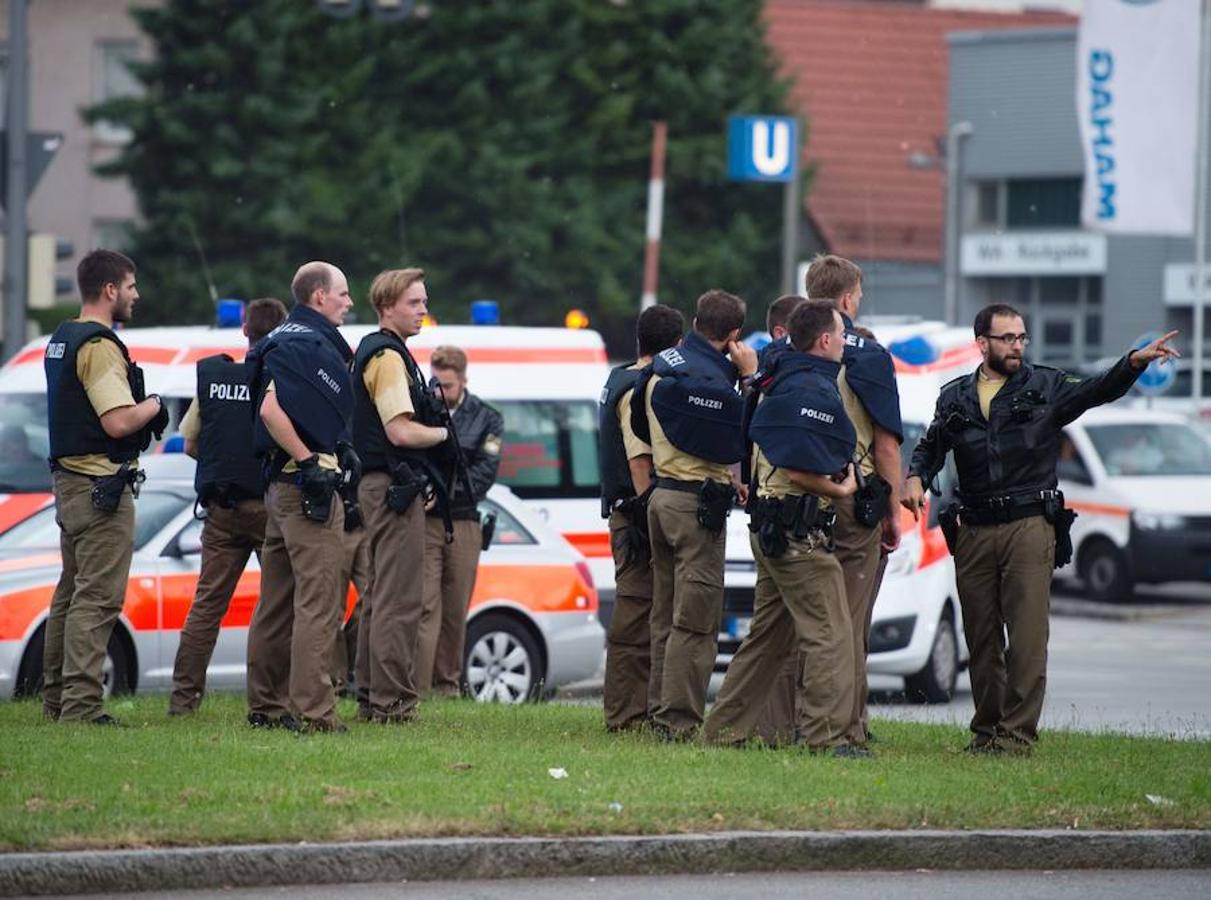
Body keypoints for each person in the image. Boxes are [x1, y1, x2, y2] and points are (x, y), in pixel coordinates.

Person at [904, 303, 1178, 754]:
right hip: (972, 527)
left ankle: (1016, 737)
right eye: (1007, 338)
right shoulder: (954, 396)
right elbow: (932, 444)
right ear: (982, 344)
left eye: (1021, 338)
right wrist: (915, 477)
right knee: (982, 636)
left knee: (1027, 637)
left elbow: (1096, 390)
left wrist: (1132, 363)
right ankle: (987, 731)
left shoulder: (1045, 385)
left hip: (1028, 523)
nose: (1017, 346)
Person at [704, 300, 865, 755]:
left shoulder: (775, 374)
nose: (844, 341)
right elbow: (797, 467)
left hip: (770, 525)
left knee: (768, 638)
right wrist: (842, 491)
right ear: (826, 340)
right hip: (797, 531)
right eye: (840, 333)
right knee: (831, 635)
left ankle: (725, 731)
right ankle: (827, 738)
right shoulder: (809, 388)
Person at [42, 249, 169, 725]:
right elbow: (117, 421)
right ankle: (81, 707)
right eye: (131, 286)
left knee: (71, 593)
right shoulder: (98, 345)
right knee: (97, 598)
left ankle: (57, 699)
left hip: (71, 483)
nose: (136, 295)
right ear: (110, 290)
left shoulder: (62, 339)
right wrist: (153, 404)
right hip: (100, 488)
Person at [630, 289, 757, 740]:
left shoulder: (666, 365)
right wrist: (750, 379)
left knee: (664, 616)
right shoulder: (713, 379)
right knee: (696, 621)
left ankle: (658, 711)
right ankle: (679, 721)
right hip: (694, 506)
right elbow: (738, 432)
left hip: (662, 498)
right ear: (734, 334)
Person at [244, 261, 357, 734]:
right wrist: (310, 460)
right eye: (343, 294)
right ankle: (314, 713)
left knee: (275, 602)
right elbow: (271, 409)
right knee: (319, 603)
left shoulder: (280, 339)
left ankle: (265, 705)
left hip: (278, 489)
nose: (350, 302)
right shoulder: (304, 344)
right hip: (305, 489)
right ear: (318, 297)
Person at [169, 297, 288, 716]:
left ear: (245, 331)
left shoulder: (215, 377)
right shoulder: (278, 380)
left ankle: (183, 702)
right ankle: (271, 700)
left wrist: (225, 466)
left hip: (220, 507)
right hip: (267, 506)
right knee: (277, 605)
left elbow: (191, 444)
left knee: (207, 606)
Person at [806, 255, 902, 748]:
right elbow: (886, 444)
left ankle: (795, 721)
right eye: (858, 297)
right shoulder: (868, 356)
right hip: (850, 496)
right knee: (848, 621)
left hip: (794, 500)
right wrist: (891, 512)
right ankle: (846, 728)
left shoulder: (786, 346)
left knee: (798, 626)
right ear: (847, 301)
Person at [351, 267, 451, 723]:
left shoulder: (388, 352)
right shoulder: (389, 357)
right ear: (387, 307)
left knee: (381, 595)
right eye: (414, 303)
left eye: (424, 301)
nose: (424, 310)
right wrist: (443, 436)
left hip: (383, 485)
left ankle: (375, 696)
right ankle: (393, 704)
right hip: (389, 486)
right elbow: (399, 430)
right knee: (400, 598)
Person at [598, 304, 685, 732]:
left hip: (626, 512)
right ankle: (626, 715)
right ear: (678, 346)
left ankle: (634, 710)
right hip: (636, 517)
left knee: (641, 613)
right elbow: (639, 465)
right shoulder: (637, 389)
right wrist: (654, 517)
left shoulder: (620, 375)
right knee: (635, 616)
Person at [416, 345, 504, 697]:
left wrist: (444, 491)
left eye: (448, 385)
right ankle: (418, 686)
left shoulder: (486, 417)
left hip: (465, 519)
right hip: (427, 520)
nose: (441, 392)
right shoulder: (422, 411)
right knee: (424, 605)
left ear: (463, 380)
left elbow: (484, 474)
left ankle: (446, 685)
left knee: (455, 608)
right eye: (436, 383)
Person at [332, 480, 371, 695]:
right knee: (332, 606)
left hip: (364, 524)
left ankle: (348, 662)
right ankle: (337, 680)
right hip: (336, 523)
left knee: (372, 598)